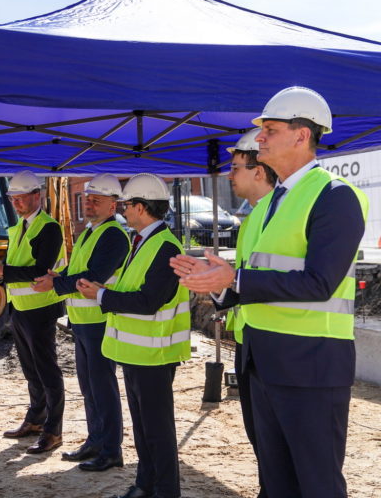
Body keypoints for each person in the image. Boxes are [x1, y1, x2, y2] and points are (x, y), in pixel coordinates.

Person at [173, 86, 368, 498]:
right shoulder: (271, 203)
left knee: (317, 485)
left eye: (270, 129)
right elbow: (252, 276)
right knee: (275, 483)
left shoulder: (335, 196)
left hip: (310, 364)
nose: (259, 137)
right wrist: (218, 285)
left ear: (302, 136)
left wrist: (235, 281)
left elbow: (320, 283)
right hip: (263, 360)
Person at [172, 128, 275, 498]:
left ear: (258, 171)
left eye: (235, 167)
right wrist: (212, 284)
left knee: (283, 448)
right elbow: (243, 289)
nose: (229, 175)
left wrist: (227, 281)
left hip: (282, 349)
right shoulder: (252, 221)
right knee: (261, 440)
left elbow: (287, 284)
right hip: (249, 345)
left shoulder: (278, 216)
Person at [77, 173, 190, 498]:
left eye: (127, 205)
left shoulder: (165, 247)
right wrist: (104, 292)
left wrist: (101, 296)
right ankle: (145, 485)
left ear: (141, 207)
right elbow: (133, 291)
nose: (123, 210)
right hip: (137, 353)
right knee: (144, 430)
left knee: (158, 432)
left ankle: (166, 491)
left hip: (155, 355)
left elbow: (147, 301)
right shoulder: (144, 242)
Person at [32, 173, 130, 471]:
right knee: (89, 386)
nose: (89, 203)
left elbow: (94, 277)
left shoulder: (113, 235)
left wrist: (55, 285)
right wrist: (58, 278)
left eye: (96, 200)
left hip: (100, 320)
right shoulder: (91, 231)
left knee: (102, 386)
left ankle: (111, 449)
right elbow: (80, 271)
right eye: (88, 199)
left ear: (113, 205)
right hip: (84, 319)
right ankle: (95, 441)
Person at [0, 170, 66, 454]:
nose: (16, 203)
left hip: (41, 309)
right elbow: (18, 267)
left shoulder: (48, 228)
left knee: (48, 371)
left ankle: (53, 431)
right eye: (12, 198)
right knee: (31, 371)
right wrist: (0, 276)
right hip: (20, 308)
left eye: (21, 198)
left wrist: (4, 271)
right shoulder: (19, 227)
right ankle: (35, 419)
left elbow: (41, 270)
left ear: (37, 196)